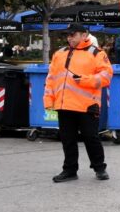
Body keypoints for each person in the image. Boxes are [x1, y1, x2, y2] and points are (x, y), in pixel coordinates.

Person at [44, 22, 113, 183]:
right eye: (68, 35)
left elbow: (106, 76)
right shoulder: (59, 53)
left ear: (84, 35)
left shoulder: (97, 53)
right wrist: (48, 99)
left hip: (87, 105)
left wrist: (84, 80)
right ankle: (69, 170)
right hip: (64, 105)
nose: (69, 38)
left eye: (73, 34)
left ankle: (99, 168)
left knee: (91, 138)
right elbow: (51, 79)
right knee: (67, 139)